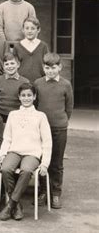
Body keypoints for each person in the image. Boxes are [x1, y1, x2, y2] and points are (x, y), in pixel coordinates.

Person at [0, 83, 52, 221]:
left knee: (27, 170)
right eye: (23, 95)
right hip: (14, 150)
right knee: (5, 168)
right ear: (19, 97)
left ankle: (11, 205)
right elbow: (7, 137)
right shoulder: (13, 114)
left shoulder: (40, 116)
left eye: (29, 95)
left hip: (32, 153)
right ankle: (16, 205)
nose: (26, 98)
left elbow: (47, 141)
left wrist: (45, 163)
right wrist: (3, 154)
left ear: (34, 97)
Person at [34, 53, 73, 209]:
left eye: (53, 67)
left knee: (56, 162)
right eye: (47, 68)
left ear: (60, 67)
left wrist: (61, 121)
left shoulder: (66, 84)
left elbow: (69, 107)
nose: (50, 71)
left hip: (59, 128)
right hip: (41, 129)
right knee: (43, 161)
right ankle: (43, 191)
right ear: (43, 68)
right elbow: (35, 104)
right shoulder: (37, 83)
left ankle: (56, 193)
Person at [0, 53, 30, 123]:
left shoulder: (25, 81)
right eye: (7, 64)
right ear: (3, 67)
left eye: (12, 63)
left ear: (18, 65)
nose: (10, 66)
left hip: (18, 115)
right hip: (0, 114)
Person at [13, 17, 49, 83]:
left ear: (38, 30)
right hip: (21, 83)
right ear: (23, 30)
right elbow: (14, 66)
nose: (29, 31)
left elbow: (47, 65)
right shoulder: (17, 46)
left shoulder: (43, 46)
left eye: (33, 28)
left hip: (39, 82)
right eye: (27, 28)